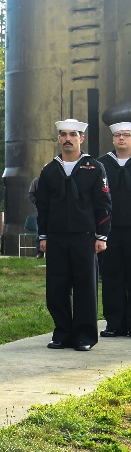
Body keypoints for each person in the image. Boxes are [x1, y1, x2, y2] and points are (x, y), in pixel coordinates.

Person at [35, 119, 111, 351]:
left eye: (73, 134)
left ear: (82, 138)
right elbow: (43, 207)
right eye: (64, 134)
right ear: (58, 138)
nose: (68, 138)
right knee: (56, 287)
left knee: (85, 286)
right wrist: (43, 236)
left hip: (84, 236)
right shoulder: (49, 170)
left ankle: (84, 336)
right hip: (56, 237)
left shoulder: (95, 167)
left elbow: (104, 204)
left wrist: (101, 236)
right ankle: (62, 333)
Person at [97, 122, 131, 337]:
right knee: (112, 277)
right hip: (109, 232)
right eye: (118, 135)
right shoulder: (100, 165)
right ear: (112, 139)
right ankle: (114, 323)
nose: (122, 139)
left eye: (126, 135)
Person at [28, 177, 43, 258]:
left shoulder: (55, 180)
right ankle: (39, 252)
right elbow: (31, 194)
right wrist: (37, 203)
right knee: (39, 230)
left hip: (55, 210)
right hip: (41, 210)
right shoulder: (36, 181)